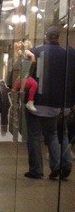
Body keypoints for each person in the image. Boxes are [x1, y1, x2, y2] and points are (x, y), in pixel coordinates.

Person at [24, 26, 75, 180]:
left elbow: (27, 70)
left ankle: (36, 170)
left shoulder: (37, 50)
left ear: (46, 36)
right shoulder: (69, 53)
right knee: (55, 134)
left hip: (37, 102)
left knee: (33, 136)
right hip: (60, 103)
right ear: (58, 37)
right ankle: (63, 164)